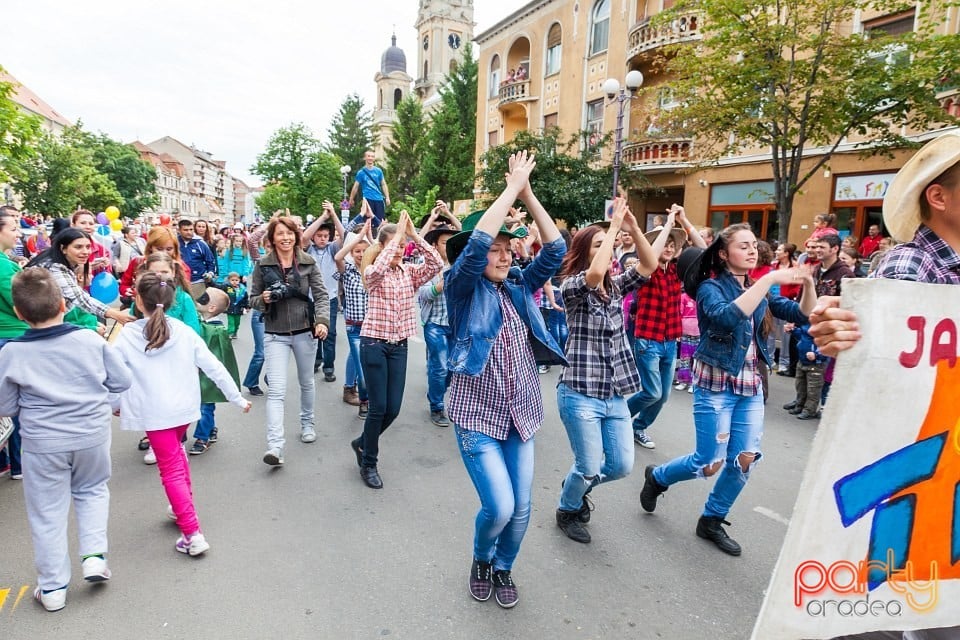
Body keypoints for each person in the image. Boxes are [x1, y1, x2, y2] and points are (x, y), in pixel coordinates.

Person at [806, 131, 960, 640]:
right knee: (897, 607)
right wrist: (843, 331)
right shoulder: (911, 264)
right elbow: (877, 366)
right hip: (918, 462)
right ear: (938, 197)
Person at [640, 223, 817, 556]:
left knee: (745, 460)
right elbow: (724, 318)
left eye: (755, 246)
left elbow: (802, 313)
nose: (752, 251)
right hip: (716, 384)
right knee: (708, 462)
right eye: (744, 246)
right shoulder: (710, 287)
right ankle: (659, 477)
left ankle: (712, 519)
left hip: (750, 386)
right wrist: (767, 280)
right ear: (723, 254)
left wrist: (807, 282)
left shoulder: (757, 287)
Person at [444, 151, 565, 608]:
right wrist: (509, 189)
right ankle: (480, 557)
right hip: (477, 416)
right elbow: (475, 248)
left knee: (522, 510)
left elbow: (554, 250)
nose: (501, 255)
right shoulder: (462, 289)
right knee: (500, 506)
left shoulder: (517, 285)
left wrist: (528, 193)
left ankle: (504, 567)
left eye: (507, 249)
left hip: (522, 415)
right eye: (494, 248)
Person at [0, 268, 132, 611]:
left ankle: (53, 587)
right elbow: (121, 381)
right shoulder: (89, 340)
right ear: (62, 304)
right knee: (91, 491)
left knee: (47, 512)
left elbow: (5, 404)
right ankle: (93, 556)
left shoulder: (11, 353)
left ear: (18, 312)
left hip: (43, 443)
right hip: (91, 434)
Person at [114, 272, 250, 557]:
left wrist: (113, 403)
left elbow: (112, 375)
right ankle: (181, 508)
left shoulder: (127, 336)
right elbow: (214, 366)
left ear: (138, 300)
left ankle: (192, 533)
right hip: (184, 410)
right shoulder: (184, 332)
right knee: (177, 456)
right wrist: (236, 398)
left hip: (154, 413)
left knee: (171, 469)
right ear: (172, 300)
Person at [553, 198, 659, 544]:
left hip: (614, 394)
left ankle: (576, 485)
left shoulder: (614, 287)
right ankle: (568, 508)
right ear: (585, 251)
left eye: (609, 243)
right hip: (580, 392)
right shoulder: (571, 287)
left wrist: (632, 228)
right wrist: (612, 226)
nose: (611, 246)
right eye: (600, 244)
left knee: (620, 466)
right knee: (587, 466)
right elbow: (594, 274)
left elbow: (649, 263)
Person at [350, 210, 442, 489]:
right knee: (378, 409)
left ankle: (361, 442)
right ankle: (369, 462)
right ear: (383, 246)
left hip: (398, 346)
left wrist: (414, 236)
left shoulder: (409, 273)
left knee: (393, 410)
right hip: (374, 344)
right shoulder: (372, 271)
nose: (400, 250)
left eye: (403, 246)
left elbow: (436, 263)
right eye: (396, 244)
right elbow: (379, 267)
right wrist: (395, 237)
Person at [249, 216, 330, 467]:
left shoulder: (307, 262)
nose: (285, 237)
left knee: (306, 382)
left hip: (306, 332)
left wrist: (323, 321)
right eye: (280, 233)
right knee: (276, 391)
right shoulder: (262, 265)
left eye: (290, 233)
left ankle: (307, 422)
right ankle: (275, 446)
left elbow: (321, 295)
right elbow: (252, 299)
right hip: (275, 335)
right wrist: (263, 299)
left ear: (296, 236)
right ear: (272, 238)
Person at [626, 207, 707, 449]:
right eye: (666, 243)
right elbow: (650, 255)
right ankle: (618, 419)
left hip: (670, 341)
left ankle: (637, 427)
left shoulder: (676, 271)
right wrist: (668, 224)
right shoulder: (645, 270)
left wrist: (684, 220)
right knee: (652, 393)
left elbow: (704, 251)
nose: (669, 248)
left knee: (662, 396)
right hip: (647, 340)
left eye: (673, 244)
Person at [134, 252, 203, 464]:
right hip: (149, 362)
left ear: (173, 273)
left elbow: (194, 330)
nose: (160, 276)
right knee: (151, 401)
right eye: (154, 272)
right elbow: (133, 324)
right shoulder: (141, 298)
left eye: (164, 271)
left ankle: (177, 441)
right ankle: (157, 442)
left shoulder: (182, 298)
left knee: (176, 403)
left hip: (176, 363)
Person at [26, 229, 135, 326]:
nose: (85, 252)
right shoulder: (54, 267)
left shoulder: (61, 260)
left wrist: (94, 263)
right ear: (63, 248)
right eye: (78, 247)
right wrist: (115, 314)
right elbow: (79, 298)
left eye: (88, 247)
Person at [418, 204, 462, 427]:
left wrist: (449, 214)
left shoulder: (459, 264)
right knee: (440, 366)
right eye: (445, 243)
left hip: (456, 324)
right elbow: (422, 294)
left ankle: (436, 393)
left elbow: (468, 235)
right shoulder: (427, 264)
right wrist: (439, 287)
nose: (449, 246)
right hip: (434, 323)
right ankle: (436, 406)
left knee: (454, 368)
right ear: (435, 244)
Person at [189, 288, 242, 455]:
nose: (199, 298)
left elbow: (221, 355)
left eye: (204, 298)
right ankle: (210, 428)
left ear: (211, 308)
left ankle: (202, 437)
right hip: (191, 372)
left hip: (207, 375)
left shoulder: (217, 329)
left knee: (205, 406)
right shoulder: (194, 321)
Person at [334, 220, 373, 416]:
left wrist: (370, 239)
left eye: (364, 251)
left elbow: (381, 252)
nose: (360, 254)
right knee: (363, 366)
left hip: (372, 326)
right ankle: (364, 401)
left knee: (357, 359)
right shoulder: (348, 272)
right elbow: (338, 257)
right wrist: (357, 238)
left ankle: (349, 387)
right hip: (354, 327)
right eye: (357, 251)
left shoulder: (372, 271)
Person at [302, 201, 345, 382]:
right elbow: (304, 237)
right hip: (310, 297)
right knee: (313, 331)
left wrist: (333, 214)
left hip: (330, 297)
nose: (322, 238)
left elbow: (344, 236)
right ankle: (316, 359)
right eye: (319, 235)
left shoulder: (333, 249)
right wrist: (322, 218)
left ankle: (329, 366)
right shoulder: (308, 249)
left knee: (330, 332)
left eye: (326, 235)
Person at [782, 322, 826, 420]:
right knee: (800, 386)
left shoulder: (823, 327)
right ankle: (800, 405)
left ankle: (809, 410)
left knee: (813, 390)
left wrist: (817, 355)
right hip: (802, 361)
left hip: (816, 365)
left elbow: (826, 345)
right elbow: (802, 334)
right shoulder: (807, 323)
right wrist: (792, 331)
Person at [348, 151, 391, 227]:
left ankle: (379, 238)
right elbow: (355, 186)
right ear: (365, 158)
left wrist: (387, 197)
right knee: (367, 221)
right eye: (368, 156)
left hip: (379, 199)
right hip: (368, 199)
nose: (370, 158)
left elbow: (383, 184)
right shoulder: (361, 173)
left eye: (372, 156)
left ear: (374, 158)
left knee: (380, 221)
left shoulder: (378, 171)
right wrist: (351, 199)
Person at [177, 219, 217, 300]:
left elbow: (211, 261)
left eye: (191, 229)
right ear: (179, 230)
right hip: (179, 282)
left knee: (197, 307)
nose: (189, 232)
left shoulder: (200, 243)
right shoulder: (174, 242)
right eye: (185, 230)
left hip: (197, 281)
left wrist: (210, 273)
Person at [223, 272, 248, 339]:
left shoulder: (242, 289)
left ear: (239, 280)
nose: (234, 282)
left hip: (239, 309)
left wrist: (247, 307)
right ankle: (229, 333)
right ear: (229, 280)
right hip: (230, 309)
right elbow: (218, 287)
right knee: (231, 323)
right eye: (232, 280)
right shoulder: (227, 288)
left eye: (236, 280)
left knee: (237, 323)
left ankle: (235, 332)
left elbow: (245, 298)